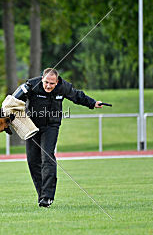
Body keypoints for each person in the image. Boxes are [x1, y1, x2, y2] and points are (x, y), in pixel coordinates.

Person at [12, 68, 103, 208]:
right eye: (46, 82)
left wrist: (92, 103)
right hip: (32, 126)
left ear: (57, 82)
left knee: (47, 157)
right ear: (42, 78)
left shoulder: (63, 87)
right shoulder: (31, 85)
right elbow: (13, 102)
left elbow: (77, 96)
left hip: (51, 127)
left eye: (52, 84)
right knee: (32, 161)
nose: (48, 86)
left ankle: (48, 197)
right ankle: (42, 195)